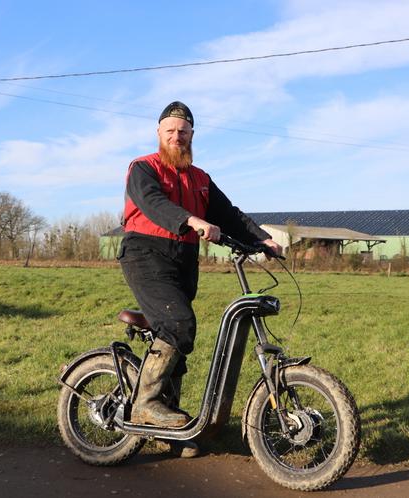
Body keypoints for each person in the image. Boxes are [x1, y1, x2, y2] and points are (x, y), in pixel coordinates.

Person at [118, 101, 282, 456]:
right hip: (145, 253)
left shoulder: (200, 179)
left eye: (184, 131)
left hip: (184, 259)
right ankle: (145, 403)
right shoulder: (143, 168)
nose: (177, 136)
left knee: (179, 338)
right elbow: (153, 204)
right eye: (170, 131)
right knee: (178, 322)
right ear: (159, 134)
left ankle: (169, 430)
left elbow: (230, 215)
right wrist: (192, 220)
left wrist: (262, 240)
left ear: (192, 135)